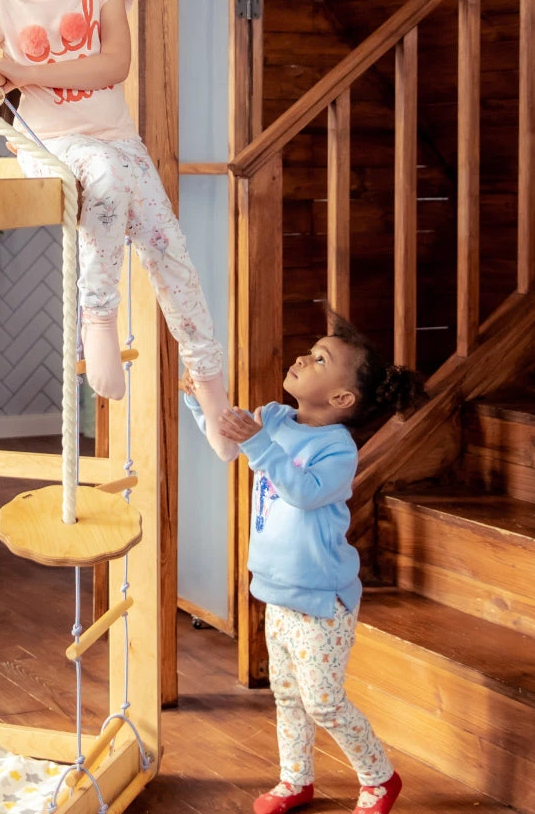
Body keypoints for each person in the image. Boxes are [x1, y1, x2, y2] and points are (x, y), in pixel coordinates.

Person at [0, 0, 237, 461]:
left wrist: (24, 70)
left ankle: (212, 393)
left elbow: (113, 65)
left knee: (173, 256)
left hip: (120, 142)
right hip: (51, 146)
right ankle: (97, 316)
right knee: (99, 174)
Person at [183, 312, 425, 814]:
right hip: (277, 590)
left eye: (319, 359)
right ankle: (296, 780)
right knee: (288, 696)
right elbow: (229, 442)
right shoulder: (273, 417)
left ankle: (380, 778)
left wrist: (257, 442)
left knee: (324, 702)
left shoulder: (337, 449)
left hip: (321, 601)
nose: (301, 357)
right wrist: (200, 401)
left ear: (341, 398)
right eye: (310, 351)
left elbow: (303, 492)